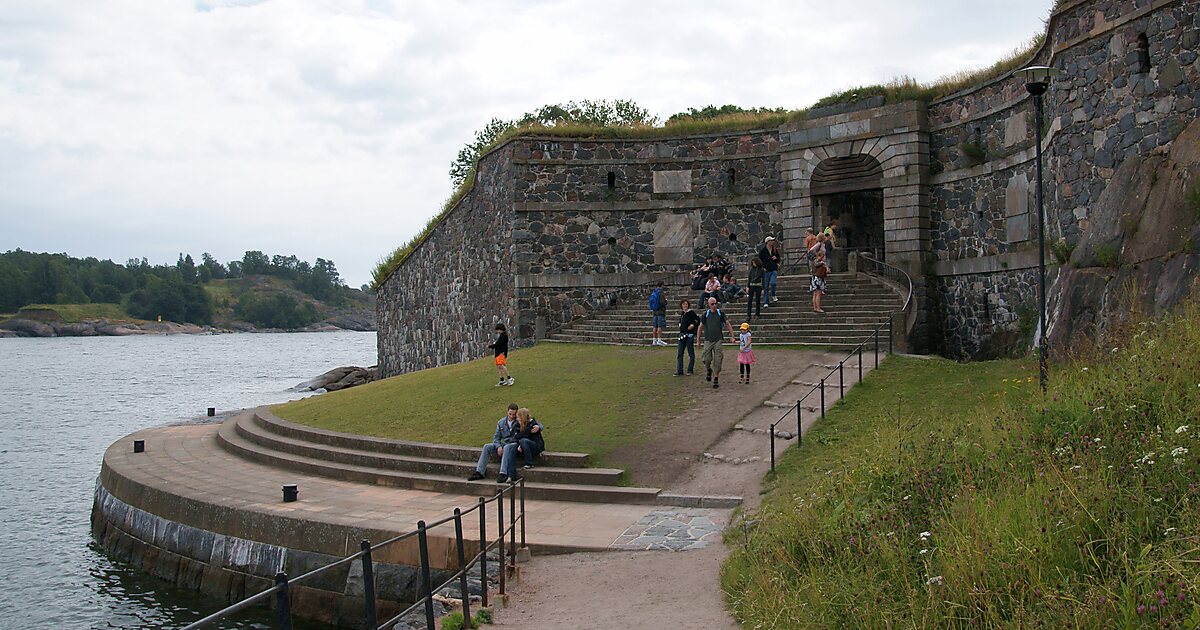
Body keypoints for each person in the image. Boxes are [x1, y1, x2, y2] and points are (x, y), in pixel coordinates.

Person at [468, 403, 521, 483]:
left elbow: (534, 423)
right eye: (510, 414)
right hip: (505, 443)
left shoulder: (520, 420)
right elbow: (496, 437)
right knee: (487, 446)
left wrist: (539, 427)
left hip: (514, 444)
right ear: (507, 412)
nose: (511, 416)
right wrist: (498, 446)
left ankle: (503, 473)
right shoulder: (501, 422)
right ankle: (480, 472)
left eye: (514, 414)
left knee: (507, 447)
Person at [700, 297, 736, 389]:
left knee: (718, 359)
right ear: (708, 305)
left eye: (715, 303)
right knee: (706, 359)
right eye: (712, 304)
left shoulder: (720, 313)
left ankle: (716, 377)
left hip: (718, 339)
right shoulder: (705, 314)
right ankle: (709, 370)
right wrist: (698, 340)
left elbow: (727, 324)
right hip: (708, 339)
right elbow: (700, 327)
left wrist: (732, 336)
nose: (714, 305)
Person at [675, 299, 701, 376]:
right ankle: (679, 370)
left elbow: (697, 320)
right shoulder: (683, 313)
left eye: (686, 304)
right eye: (683, 304)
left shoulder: (691, 313)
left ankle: (690, 370)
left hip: (689, 335)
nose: (685, 306)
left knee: (691, 353)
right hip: (682, 335)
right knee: (680, 353)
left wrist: (693, 325)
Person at [757, 236, 781, 307]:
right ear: (767, 242)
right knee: (766, 286)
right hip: (766, 270)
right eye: (771, 240)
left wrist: (776, 259)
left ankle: (773, 294)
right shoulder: (762, 251)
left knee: (773, 283)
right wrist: (762, 267)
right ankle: (765, 302)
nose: (772, 242)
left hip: (773, 269)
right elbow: (759, 260)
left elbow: (778, 257)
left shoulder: (774, 249)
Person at [649, 281, 668, 346]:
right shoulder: (661, 293)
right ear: (662, 285)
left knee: (655, 326)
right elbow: (662, 302)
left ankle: (654, 340)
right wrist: (666, 301)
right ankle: (659, 340)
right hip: (660, 311)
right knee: (660, 326)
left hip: (655, 311)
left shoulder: (654, 292)